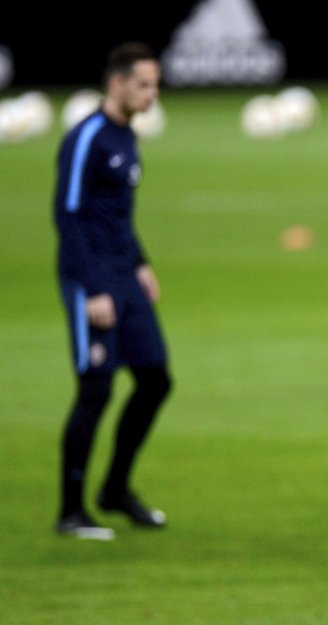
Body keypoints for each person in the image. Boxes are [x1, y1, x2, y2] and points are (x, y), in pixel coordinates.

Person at [53, 42, 172, 540]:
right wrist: (93, 288)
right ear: (117, 83)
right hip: (93, 280)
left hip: (125, 275)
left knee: (154, 380)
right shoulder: (89, 138)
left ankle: (115, 489)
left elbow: (116, 216)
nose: (151, 95)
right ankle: (71, 511)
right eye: (143, 85)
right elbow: (70, 214)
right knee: (96, 389)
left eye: (155, 86)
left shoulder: (126, 137)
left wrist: (141, 262)